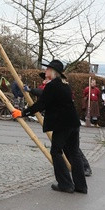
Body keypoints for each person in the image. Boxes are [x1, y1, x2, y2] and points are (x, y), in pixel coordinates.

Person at [22, 59, 87, 194]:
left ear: (53, 72)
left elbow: (42, 104)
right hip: (73, 123)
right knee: (74, 153)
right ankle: (81, 186)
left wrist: (23, 112)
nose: (45, 71)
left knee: (56, 152)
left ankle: (65, 184)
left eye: (47, 69)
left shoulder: (53, 86)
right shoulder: (65, 84)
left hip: (63, 124)